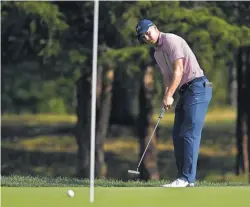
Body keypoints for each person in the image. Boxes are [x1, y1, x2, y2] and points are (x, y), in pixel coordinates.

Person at [135, 19, 212, 187]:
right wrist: (166, 95)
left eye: (148, 32)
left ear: (155, 28)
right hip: (186, 91)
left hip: (198, 87)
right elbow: (167, 76)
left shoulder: (171, 40)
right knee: (177, 134)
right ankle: (182, 178)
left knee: (189, 134)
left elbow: (179, 70)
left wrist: (170, 95)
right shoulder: (157, 53)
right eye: (143, 36)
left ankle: (187, 178)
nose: (147, 37)